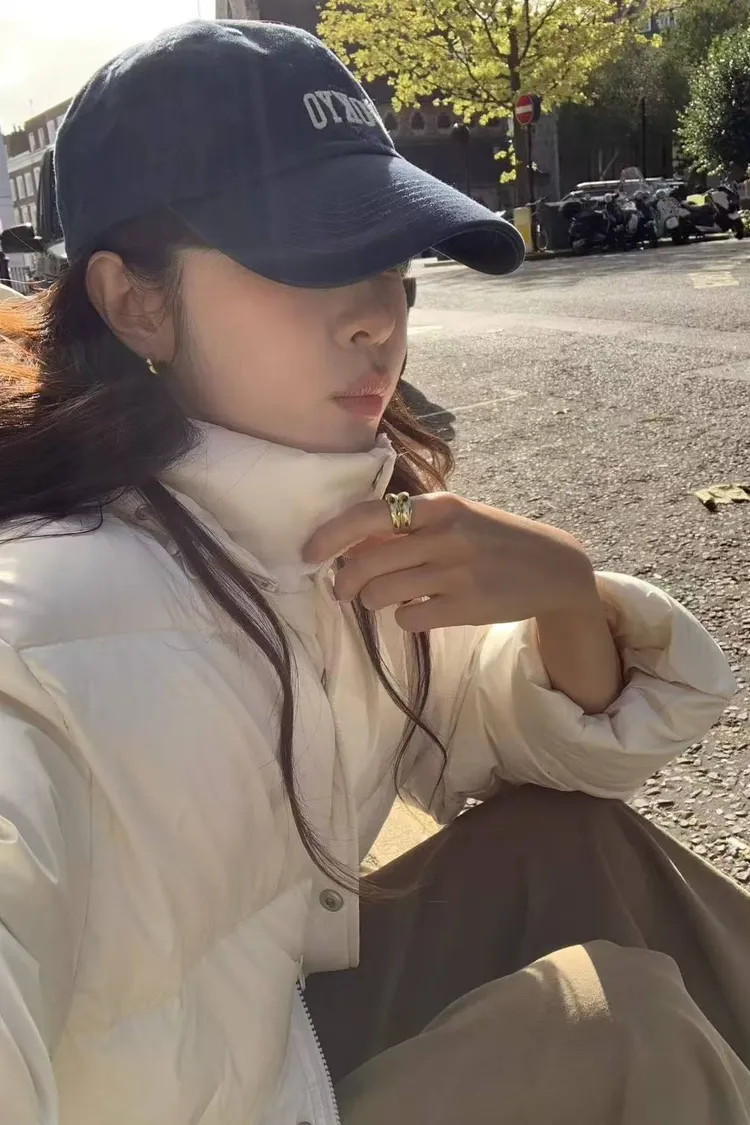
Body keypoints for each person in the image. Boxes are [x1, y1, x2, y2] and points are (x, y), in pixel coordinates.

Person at [0, 19, 748, 1125]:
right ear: (136, 302)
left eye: (393, 267)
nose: (376, 320)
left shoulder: (313, 528)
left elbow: (503, 735)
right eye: (307, 262)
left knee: (571, 844)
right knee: (618, 1026)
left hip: (274, 1031)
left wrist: (563, 593)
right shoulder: (40, 634)